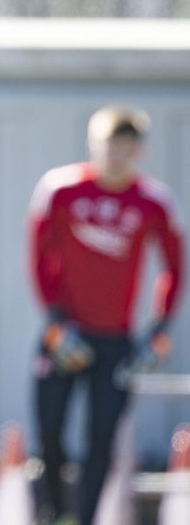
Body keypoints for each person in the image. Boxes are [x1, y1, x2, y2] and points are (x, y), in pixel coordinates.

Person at [28, 105, 184, 525]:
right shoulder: (60, 189)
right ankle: (55, 514)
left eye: (125, 147)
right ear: (93, 144)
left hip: (117, 340)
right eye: (108, 145)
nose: (115, 155)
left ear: (139, 150)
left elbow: (174, 266)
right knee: (49, 433)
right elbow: (40, 259)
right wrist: (57, 323)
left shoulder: (154, 201)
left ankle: (83, 518)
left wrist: (159, 329)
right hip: (63, 333)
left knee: (101, 440)